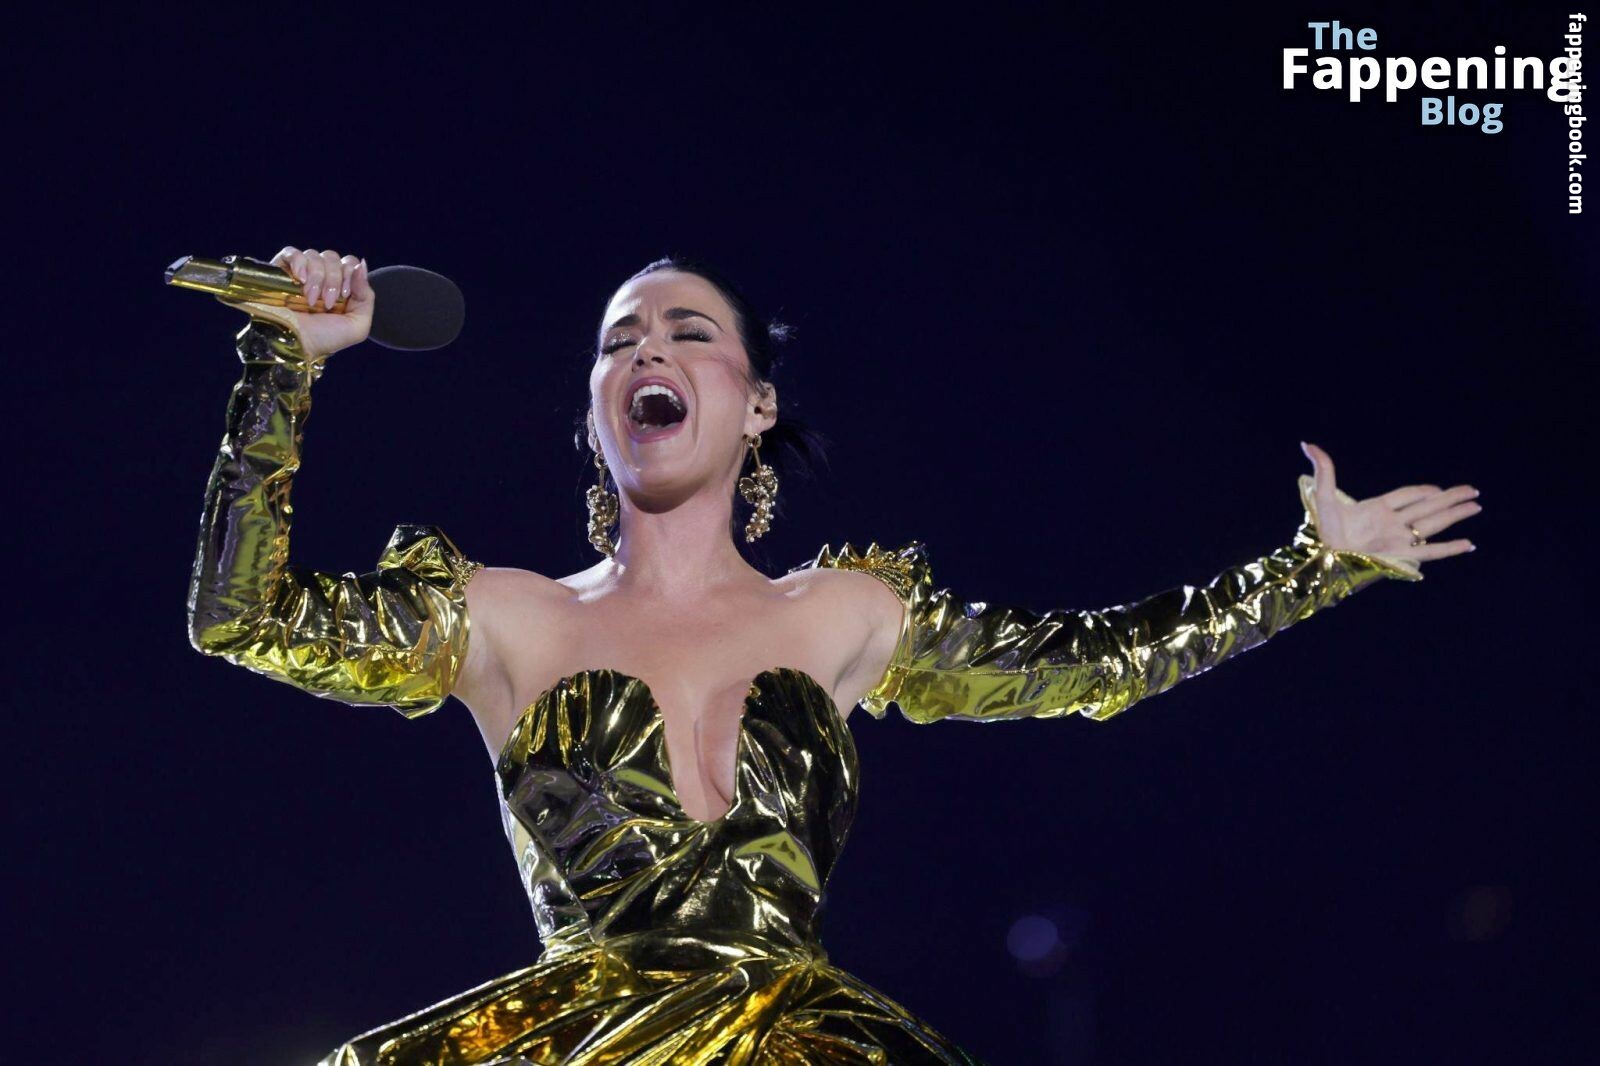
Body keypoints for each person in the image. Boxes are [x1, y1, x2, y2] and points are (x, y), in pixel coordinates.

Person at [187, 246, 1481, 1064]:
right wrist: (283, 365)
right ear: (593, 414)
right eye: (619, 341)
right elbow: (242, 618)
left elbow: (1097, 663)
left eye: (688, 331)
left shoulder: (846, 611)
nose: (647, 350)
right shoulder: (506, 617)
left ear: (756, 404)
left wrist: (1310, 565)